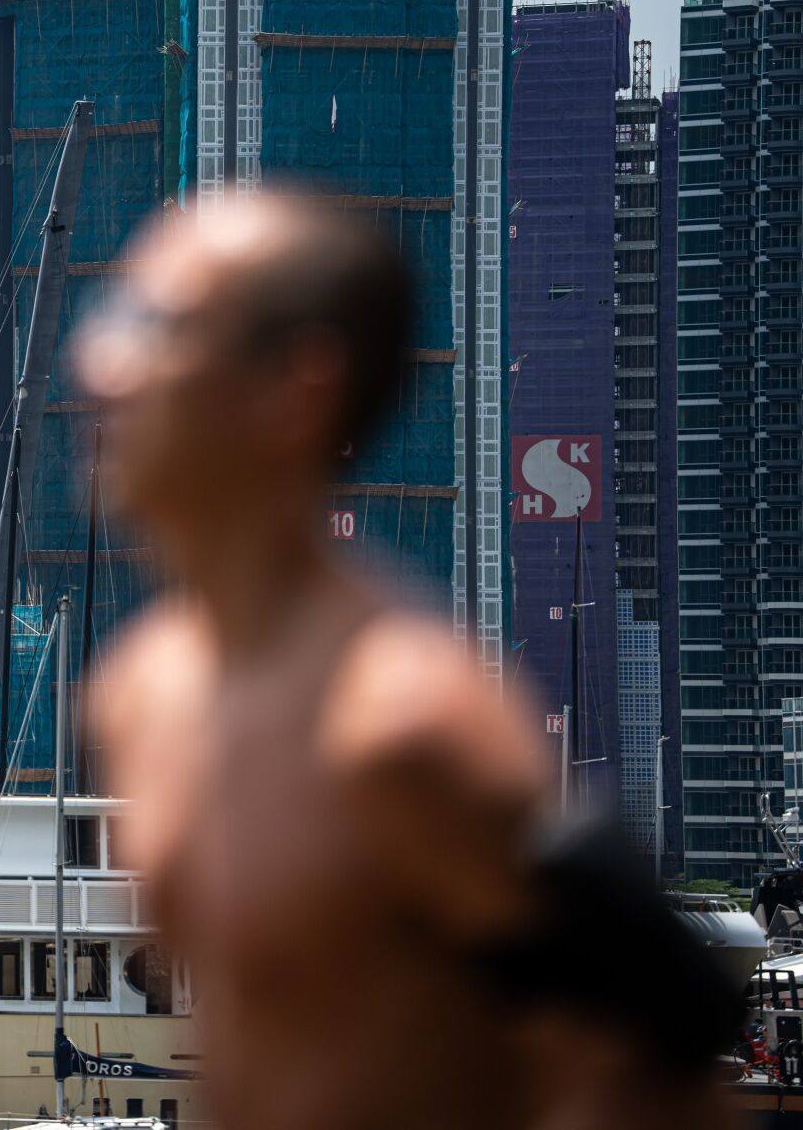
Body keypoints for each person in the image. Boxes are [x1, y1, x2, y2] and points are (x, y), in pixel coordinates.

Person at [76, 190, 734, 1130]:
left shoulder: (404, 728)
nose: (99, 365)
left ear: (293, 391)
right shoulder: (139, 693)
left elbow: (664, 1068)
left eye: (156, 325)